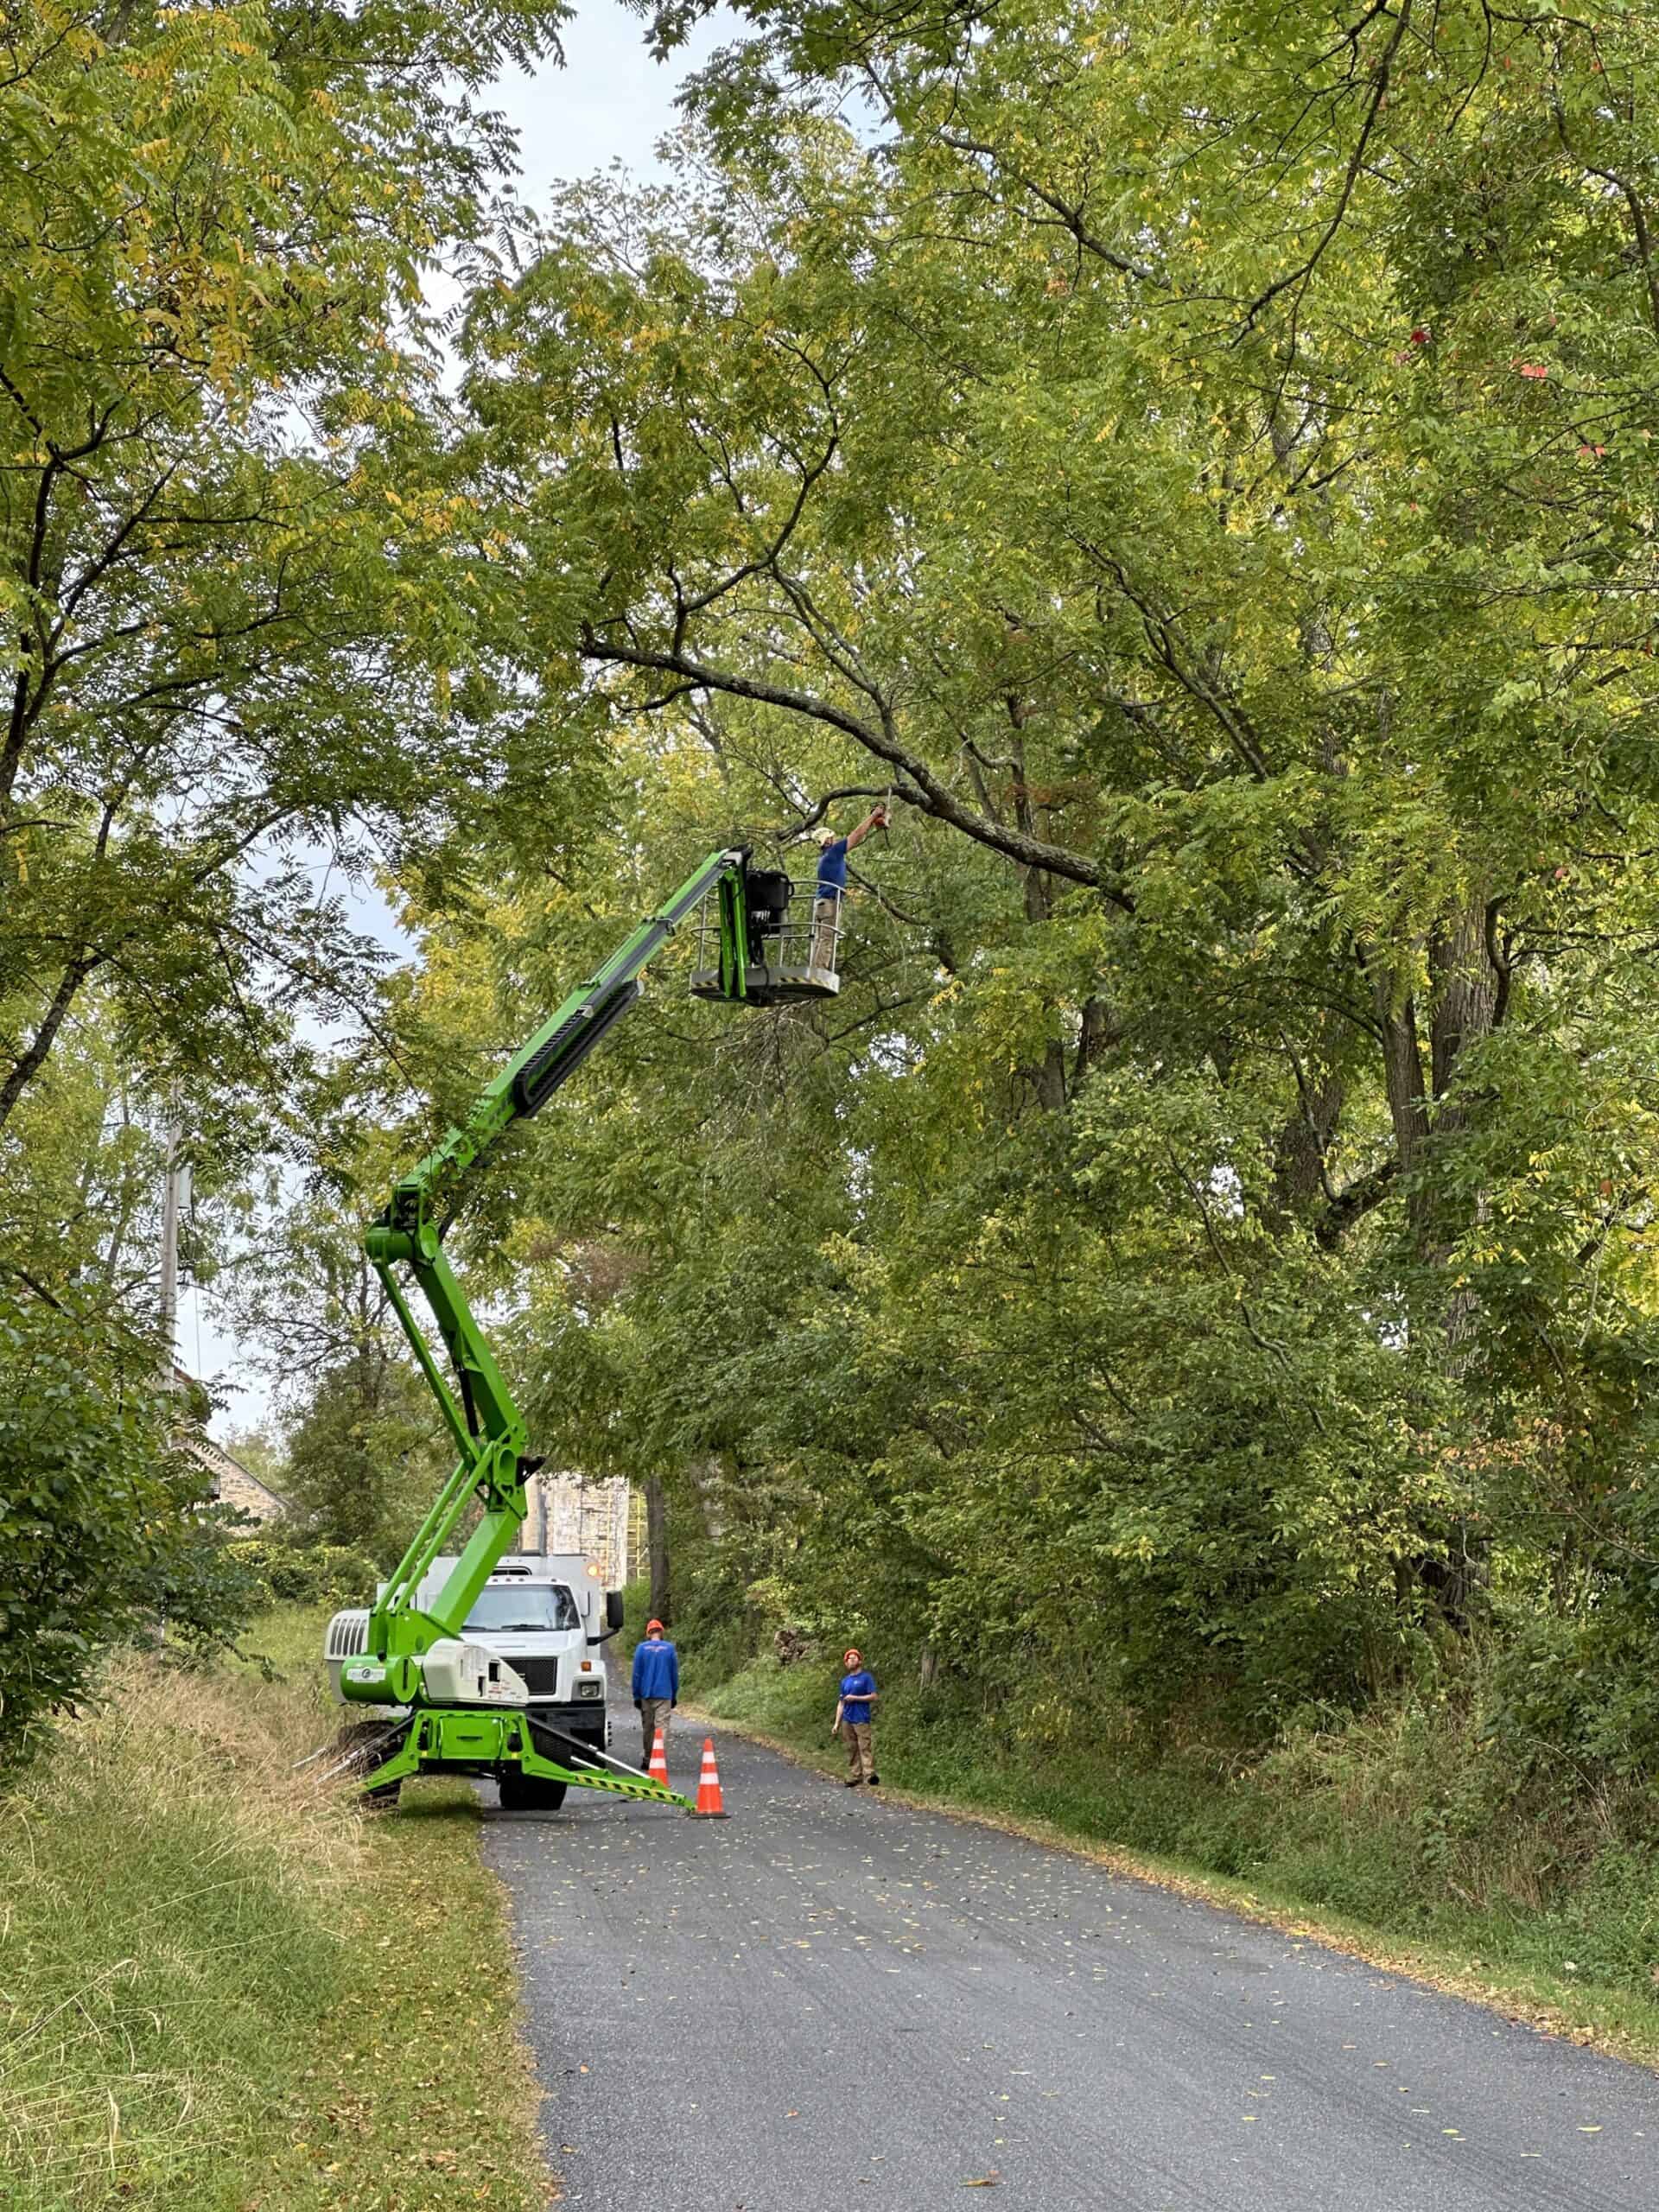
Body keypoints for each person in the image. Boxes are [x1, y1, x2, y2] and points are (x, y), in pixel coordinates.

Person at [809, 806, 887, 969]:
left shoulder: (824, 858)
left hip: (821, 903)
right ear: (827, 840)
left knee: (819, 939)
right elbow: (856, 835)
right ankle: (819, 972)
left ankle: (815, 969)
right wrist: (873, 816)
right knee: (827, 939)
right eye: (832, 837)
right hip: (830, 903)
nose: (835, 839)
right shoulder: (833, 852)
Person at [632, 1617, 679, 1769]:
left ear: (648, 1633)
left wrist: (636, 1695)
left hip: (646, 1693)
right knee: (662, 1726)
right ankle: (658, 1759)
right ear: (661, 1632)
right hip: (664, 1693)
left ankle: (647, 1758)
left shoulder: (641, 1649)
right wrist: (674, 1693)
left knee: (648, 1727)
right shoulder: (669, 1649)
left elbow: (636, 1674)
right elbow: (674, 1674)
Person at [832, 1646, 880, 1788]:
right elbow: (841, 1703)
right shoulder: (845, 1681)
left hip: (861, 1718)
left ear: (859, 1661)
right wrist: (836, 1723)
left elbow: (873, 1696)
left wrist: (855, 1698)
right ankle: (855, 1775)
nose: (850, 1660)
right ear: (846, 1664)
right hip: (847, 1719)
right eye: (848, 1659)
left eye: (853, 1658)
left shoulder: (866, 1677)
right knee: (851, 1748)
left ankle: (870, 1775)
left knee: (864, 1746)